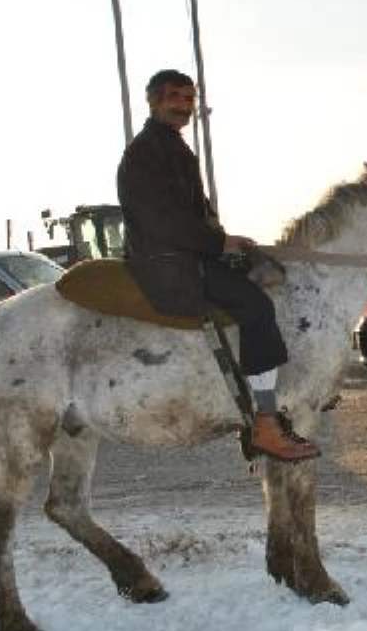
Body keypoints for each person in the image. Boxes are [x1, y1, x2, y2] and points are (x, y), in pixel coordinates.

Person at [116, 69, 318, 461]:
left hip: (187, 255)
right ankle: (263, 422)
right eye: (175, 97)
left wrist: (229, 243)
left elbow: (198, 216)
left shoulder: (173, 149)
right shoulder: (144, 154)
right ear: (155, 102)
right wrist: (216, 243)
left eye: (189, 99)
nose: (183, 106)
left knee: (266, 276)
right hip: (167, 265)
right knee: (257, 307)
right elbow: (163, 223)